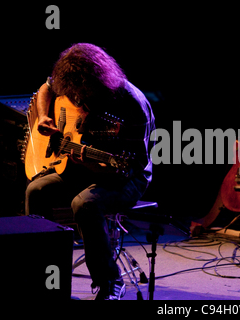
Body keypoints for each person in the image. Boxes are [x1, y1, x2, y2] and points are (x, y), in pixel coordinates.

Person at [25, 43, 155, 300]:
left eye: (81, 95)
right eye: (72, 94)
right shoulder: (71, 85)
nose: (76, 99)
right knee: (35, 190)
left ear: (96, 85)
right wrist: (42, 116)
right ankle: (40, 271)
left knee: (84, 204)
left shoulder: (132, 104)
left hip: (126, 176)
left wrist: (87, 159)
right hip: (78, 165)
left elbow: (132, 166)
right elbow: (46, 88)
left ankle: (109, 280)